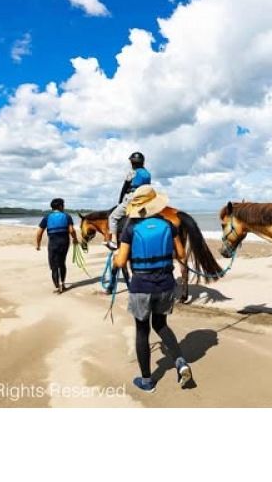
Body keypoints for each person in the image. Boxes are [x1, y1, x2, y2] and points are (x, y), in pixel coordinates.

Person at [113, 185, 192, 393]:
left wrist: (115, 257)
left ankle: (147, 381)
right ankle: (181, 363)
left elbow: (121, 262)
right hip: (166, 285)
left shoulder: (130, 229)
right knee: (161, 325)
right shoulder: (169, 225)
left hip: (141, 287)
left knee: (142, 330)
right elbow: (182, 255)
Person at [104, 151, 151, 251]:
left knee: (113, 217)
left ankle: (114, 242)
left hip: (132, 198)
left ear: (133, 163)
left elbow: (124, 188)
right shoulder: (147, 173)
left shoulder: (132, 173)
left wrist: (120, 201)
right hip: (146, 198)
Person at [36, 198, 79, 293]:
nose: (64, 207)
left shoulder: (47, 217)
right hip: (64, 242)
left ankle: (57, 284)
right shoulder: (67, 216)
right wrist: (75, 239)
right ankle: (62, 284)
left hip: (53, 243)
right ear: (60, 206)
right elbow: (72, 230)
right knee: (62, 263)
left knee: (53, 264)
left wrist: (38, 244)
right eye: (63, 205)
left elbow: (39, 232)